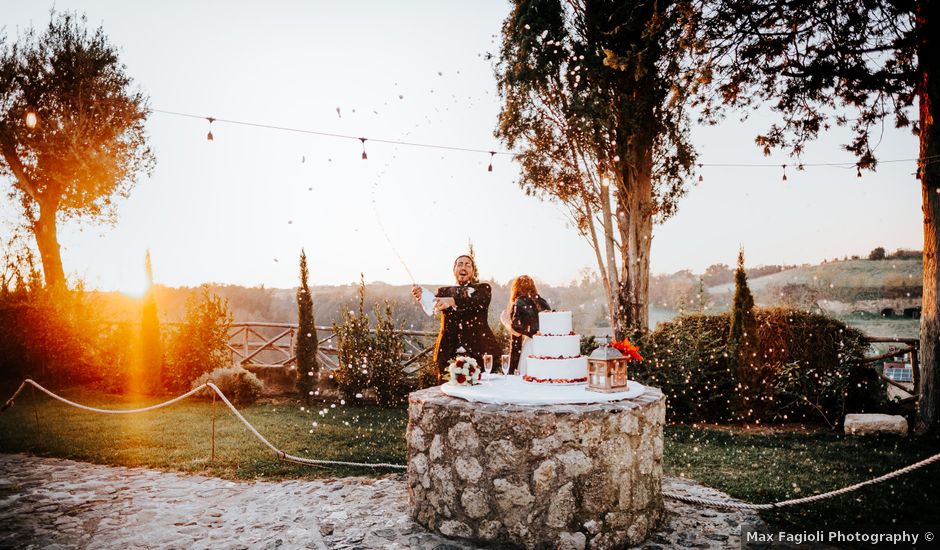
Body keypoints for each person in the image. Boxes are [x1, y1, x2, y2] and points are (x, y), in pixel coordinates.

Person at [412, 254, 500, 382]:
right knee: (446, 395)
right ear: (454, 270)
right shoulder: (443, 291)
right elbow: (432, 305)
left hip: (479, 352)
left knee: (479, 396)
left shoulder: (483, 289)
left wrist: (452, 301)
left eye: (467, 264)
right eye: (460, 264)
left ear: (473, 271)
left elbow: (477, 302)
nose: (463, 267)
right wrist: (422, 296)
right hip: (448, 353)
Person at [500, 275, 550, 375]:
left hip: (531, 346)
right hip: (547, 346)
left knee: (528, 378)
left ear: (515, 288)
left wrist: (504, 320)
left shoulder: (519, 302)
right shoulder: (543, 302)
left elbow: (517, 331)